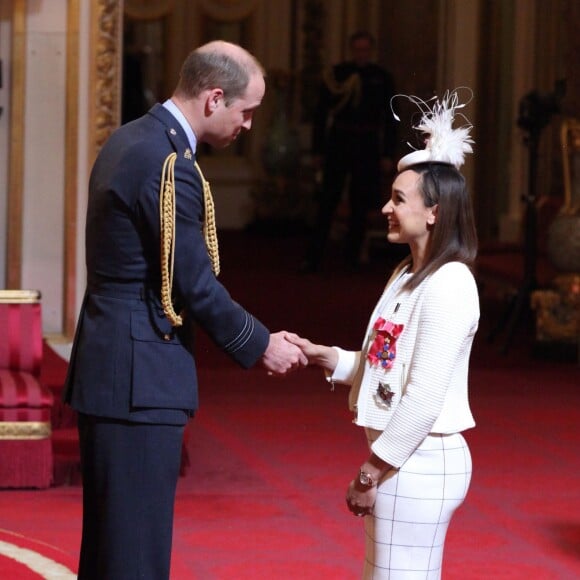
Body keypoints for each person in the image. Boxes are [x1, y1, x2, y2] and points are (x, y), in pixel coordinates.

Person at [63, 40, 307, 580]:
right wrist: (261, 343)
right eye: (247, 112)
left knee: (111, 549)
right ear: (215, 98)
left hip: (114, 365)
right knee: (134, 557)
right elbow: (193, 282)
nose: (248, 126)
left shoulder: (133, 138)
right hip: (139, 376)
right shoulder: (168, 162)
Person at [290, 89, 478, 578]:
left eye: (398, 198)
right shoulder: (405, 273)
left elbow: (421, 399)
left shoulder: (451, 282)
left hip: (419, 458)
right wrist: (328, 357)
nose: (384, 208)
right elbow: (387, 364)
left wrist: (370, 471)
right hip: (405, 457)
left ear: (434, 211)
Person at [301, 30, 397, 272]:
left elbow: (391, 118)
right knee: (327, 200)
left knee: (360, 204)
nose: (361, 54)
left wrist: (387, 153)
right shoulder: (338, 75)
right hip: (340, 141)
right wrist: (318, 150)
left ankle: (352, 258)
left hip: (367, 143)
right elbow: (321, 114)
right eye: (358, 49)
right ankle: (314, 257)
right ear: (351, 50)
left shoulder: (381, 77)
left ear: (371, 51)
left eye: (366, 49)